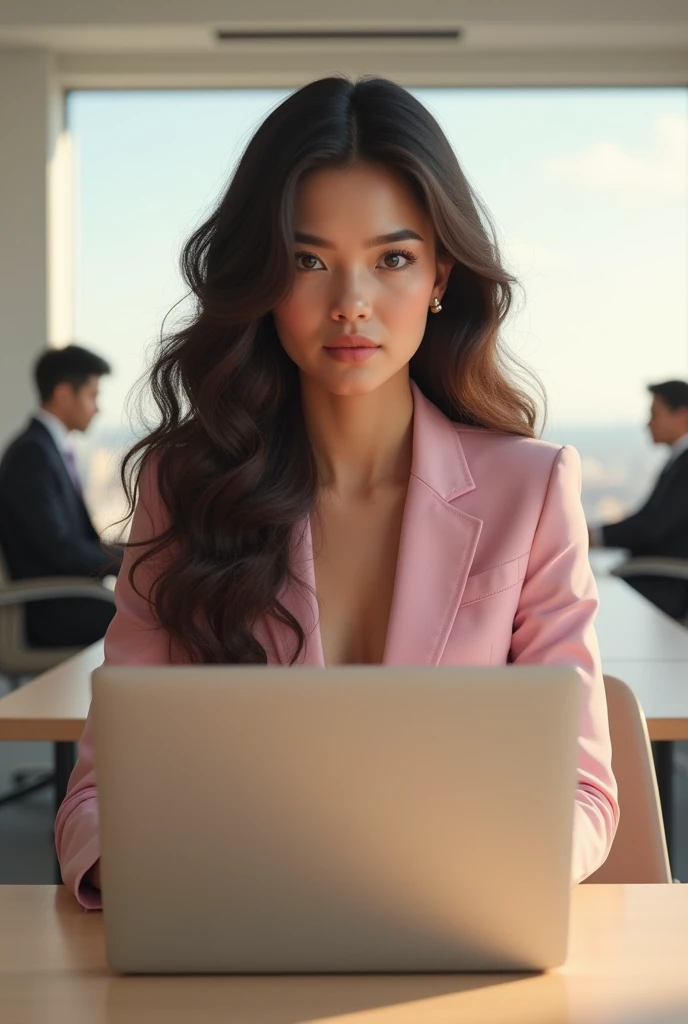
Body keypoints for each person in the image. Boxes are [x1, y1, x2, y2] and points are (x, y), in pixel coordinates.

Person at [55, 76, 618, 907]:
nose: (351, 305)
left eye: (392, 259)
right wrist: (151, 870)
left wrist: (486, 868)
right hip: (236, 926)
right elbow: (97, 797)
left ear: (440, 276)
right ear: (261, 281)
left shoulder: (531, 488)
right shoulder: (188, 486)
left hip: (453, 925)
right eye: (308, 261)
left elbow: (585, 792)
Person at [0, 344, 122, 647]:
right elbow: (59, 550)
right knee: (151, 619)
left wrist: (128, 553)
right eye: (92, 396)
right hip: (50, 611)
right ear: (64, 394)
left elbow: (72, 542)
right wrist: (127, 563)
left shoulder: (47, 450)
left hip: (68, 597)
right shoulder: (32, 454)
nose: (98, 408)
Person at [589, 380, 688, 620]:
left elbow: (653, 529)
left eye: (655, 414)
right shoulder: (678, 462)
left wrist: (593, 536)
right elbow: (649, 521)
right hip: (657, 575)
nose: (648, 423)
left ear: (683, 415)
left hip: (667, 584)